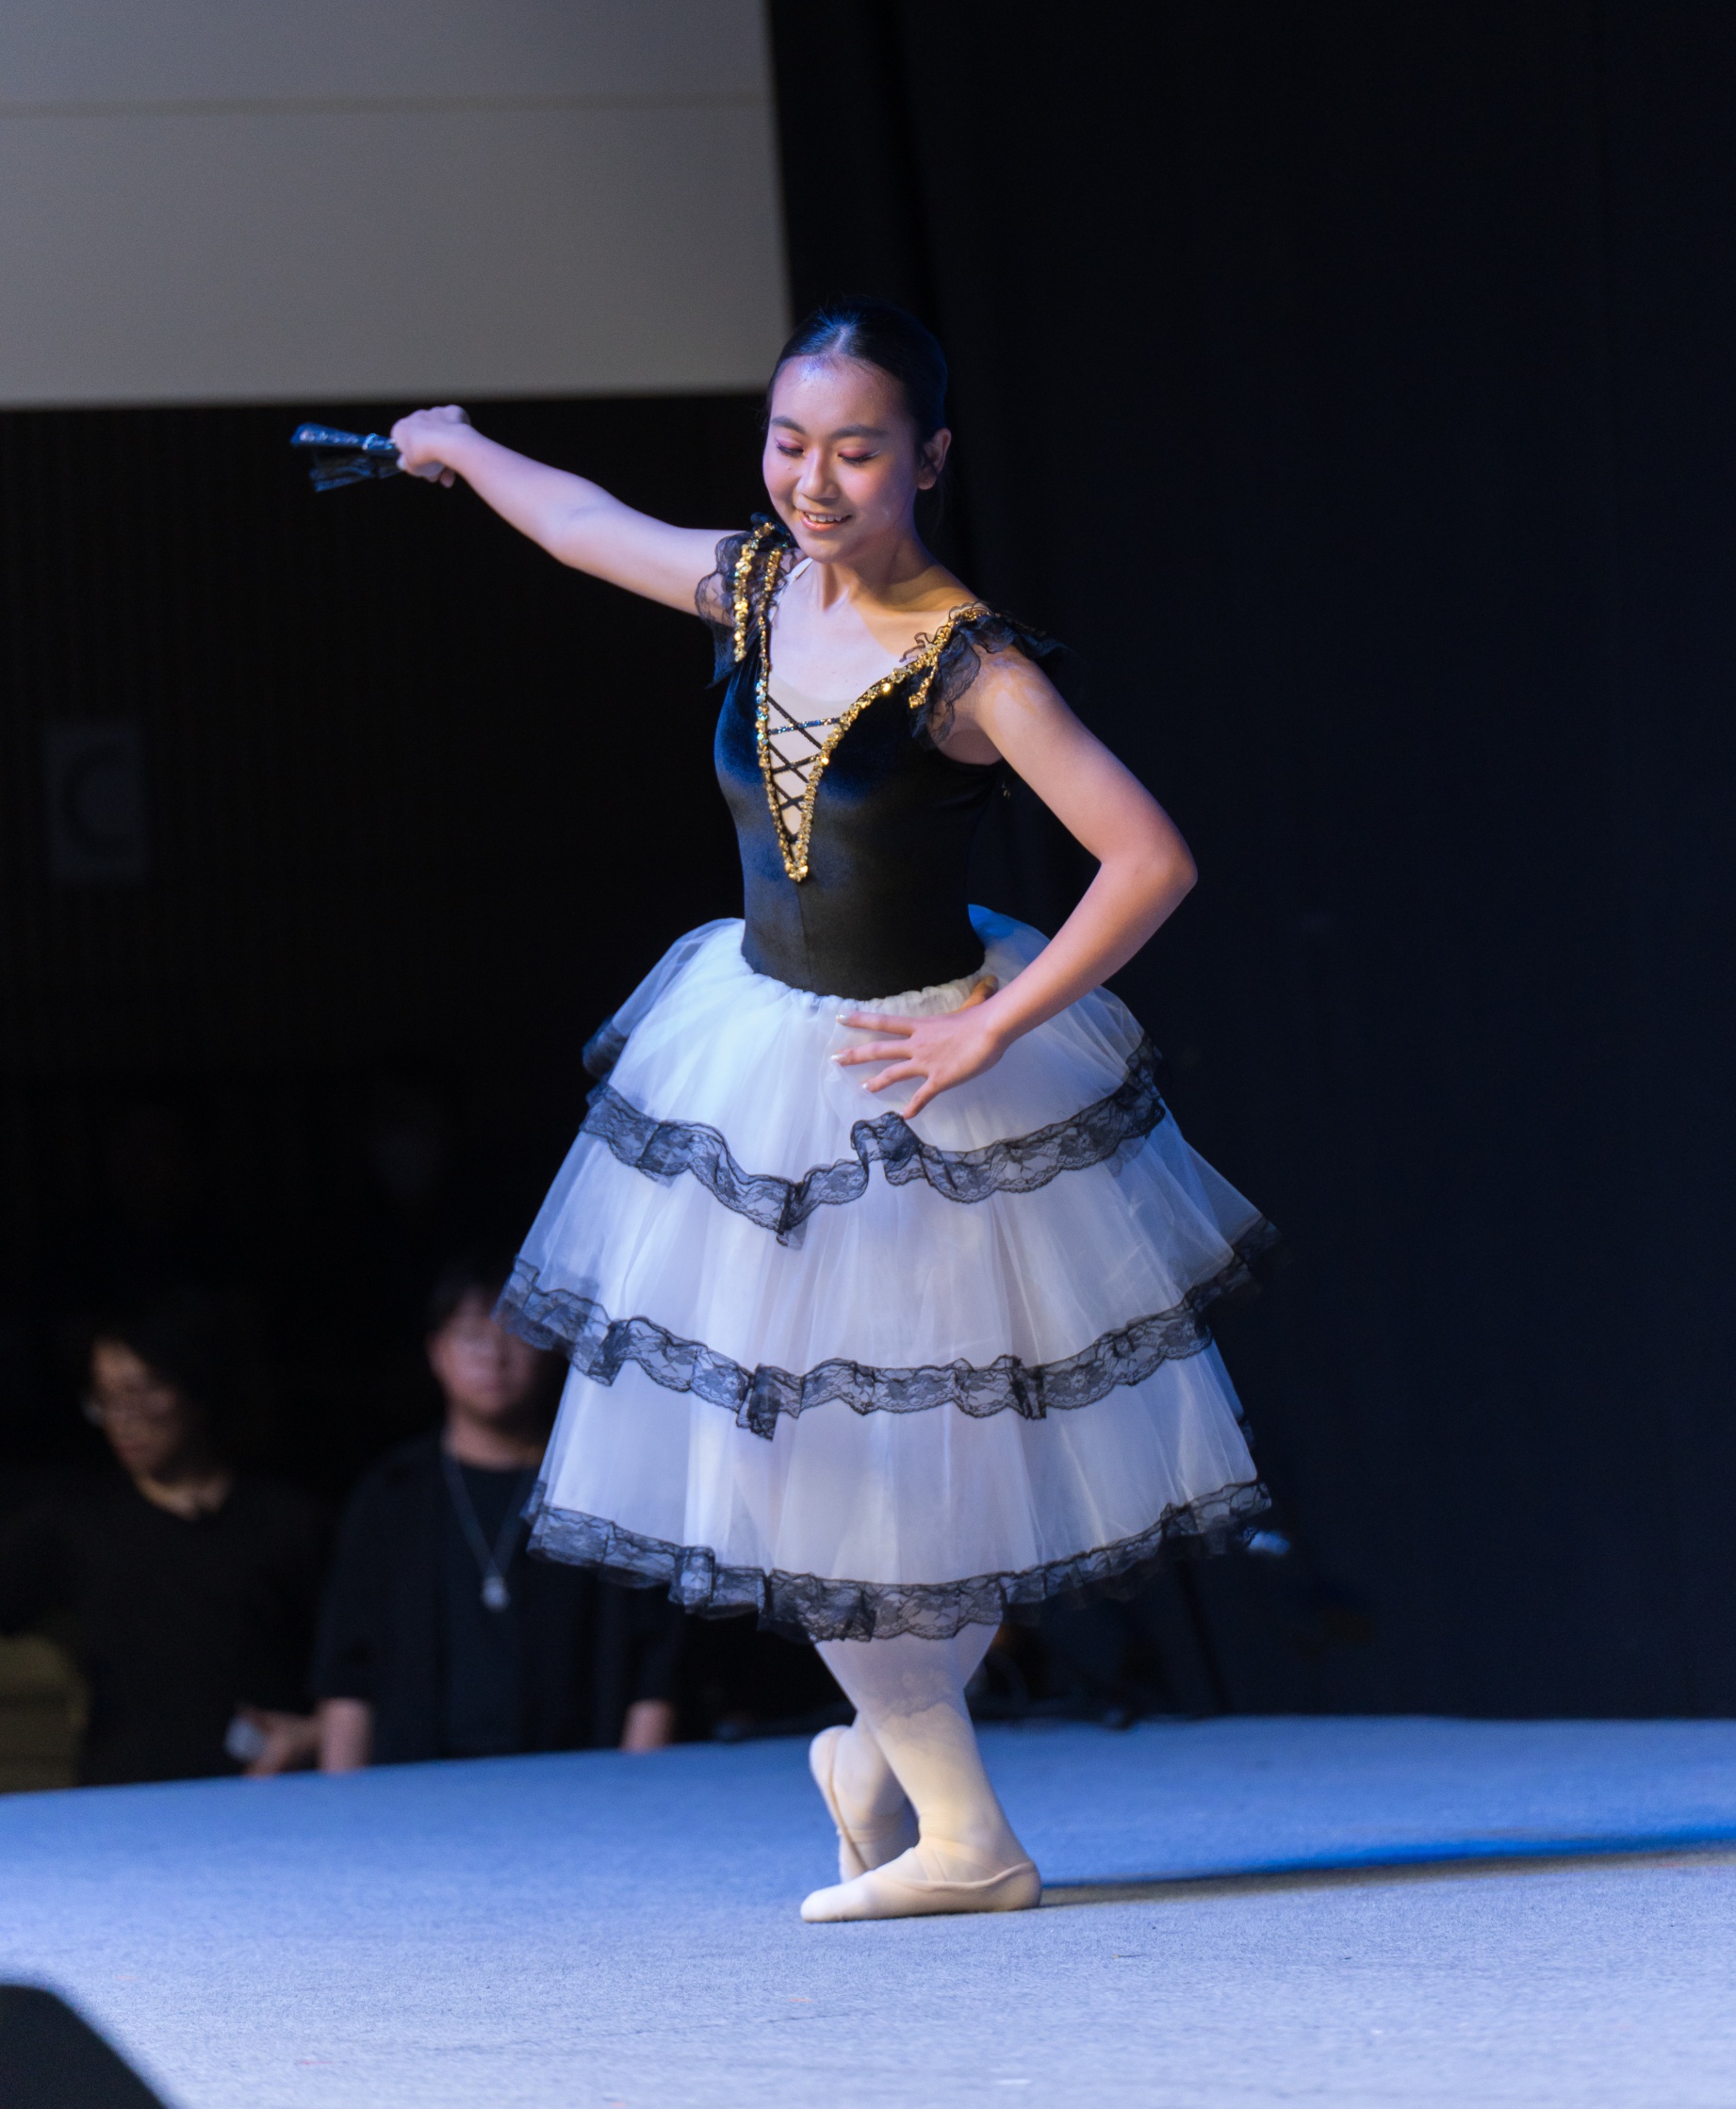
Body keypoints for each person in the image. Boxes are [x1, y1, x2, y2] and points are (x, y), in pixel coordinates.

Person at [387, 300, 1274, 1920]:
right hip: (759, 1064)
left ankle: (961, 1831)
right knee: (815, 1465)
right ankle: (891, 1766)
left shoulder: (970, 663)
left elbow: (1148, 857)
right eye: (789, 443)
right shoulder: (755, 585)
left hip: (913, 1082)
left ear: (927, 459)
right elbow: (585, 525)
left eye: (855, 450)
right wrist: (459, 445)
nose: (811, 479)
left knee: (917, 1466)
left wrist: (995, 1023)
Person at [303, 1258, 683, 1769]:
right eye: (471, 1336)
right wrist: (343, 1803)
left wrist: (636, 1789)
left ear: (551, 1347)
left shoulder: (600, 1491)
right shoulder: (391, 1497)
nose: (494, 1356)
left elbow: (656, 1666)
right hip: (418, 1789)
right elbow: (348, 1672)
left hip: (582, 1782)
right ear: (437, 1352)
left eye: (517, 1333)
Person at [0, 1293, 326, 1785]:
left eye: (143, 1390)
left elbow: (368, 1670)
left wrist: (314, 1735)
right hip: (123, 1802)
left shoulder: (287, 1522)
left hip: (264, 1797)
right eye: (105, 1398)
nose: (123, 1417)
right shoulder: (74, 1523)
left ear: (197, 1391)